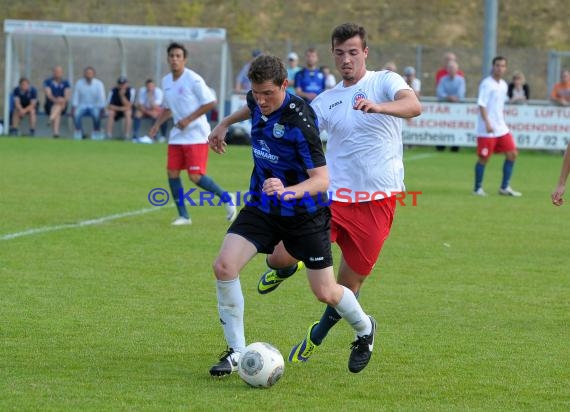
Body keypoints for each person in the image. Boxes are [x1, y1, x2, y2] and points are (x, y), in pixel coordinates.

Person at [256, 23, 421, 364]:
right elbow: (297, 134)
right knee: (279, 257)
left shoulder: (384, 82)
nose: (346, 59)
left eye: (353, 52)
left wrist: (378, 107)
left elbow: (413, 105)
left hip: (377, 202)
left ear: (365, 53)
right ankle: (286, 269)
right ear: (333, 55)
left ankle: (320, 334)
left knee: (343, 290)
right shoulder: (325, 102)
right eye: (340, 53)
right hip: (330, 201)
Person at [207, 54, 376, 376]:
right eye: (256, 93)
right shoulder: (257, 99)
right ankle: (236, 352)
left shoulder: (301, 122)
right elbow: (250, 107)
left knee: (324, 292)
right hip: (263, 204)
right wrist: (225, 123)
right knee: (224, 266)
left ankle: (365, 329)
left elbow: (322, 180)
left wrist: (287, 190)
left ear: (285, 85)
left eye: (268, 93)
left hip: (305, 213)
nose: (261, 100)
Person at [149, 42, 237, 226]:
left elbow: (210, 102)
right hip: (177, 136)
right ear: (168, 59)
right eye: (171, 56)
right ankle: (184, 216)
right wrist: (157, 124)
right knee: (172, 172)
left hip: (196, 135)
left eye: (178, 56)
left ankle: (226, 197)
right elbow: (168, 108)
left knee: (195, 176)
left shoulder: (193, 79)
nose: (174, 59)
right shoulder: (166, 81)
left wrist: (188, 120)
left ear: (184, 59)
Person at [473, 56, 522, 197]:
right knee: (484, 158)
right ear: (493, 67)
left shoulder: (504, 85)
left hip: (501, 128)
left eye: (502, 66)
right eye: (497, 65)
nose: (499, 68)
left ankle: (504, 187)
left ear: (505, 68)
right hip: (486, 130)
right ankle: (477, 188)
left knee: (512, 154)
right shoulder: (486, 84)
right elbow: (481, 104)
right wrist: (487, 122)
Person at [71, 66, 106, 140]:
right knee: (76, 114)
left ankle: (96, 131)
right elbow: (76, 96)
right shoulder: (79, 83)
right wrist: (74, 107)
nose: (88, 75)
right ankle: (79, 132)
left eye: (90, 73)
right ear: (84, 74)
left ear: (94, 74)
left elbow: (102, 97)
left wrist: (102, 108)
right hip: (82, 106)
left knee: (97, 114)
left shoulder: (99, 84)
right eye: (87, 73)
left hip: (95, 106)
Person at [133, 79, 167, 143]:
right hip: (145, 109)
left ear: (154, 86)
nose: (150, 88)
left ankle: (153, 136)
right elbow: (140, 105)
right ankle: (135, 136)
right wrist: (148, 112)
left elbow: (156, 107)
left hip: (156, 109)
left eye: (151, 86)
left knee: (156, 114)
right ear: (146, 86)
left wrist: (150, 96)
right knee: (137, 113)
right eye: (148, 86)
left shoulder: (158, 92)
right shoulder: (142, 90)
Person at [43, 65, 71, 138]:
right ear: (53, 72)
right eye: (56, 71)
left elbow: (67, 95)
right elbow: (48, 94)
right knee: (57, 109)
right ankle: (56, 132)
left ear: (62, 73)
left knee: (58, 107)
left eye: (59, 72)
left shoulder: (66, 83)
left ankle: (52, 123)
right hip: (49, 105)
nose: (57, 73)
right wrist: (56, 100)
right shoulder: (48, 82)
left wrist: (63, 100)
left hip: (63, 105)